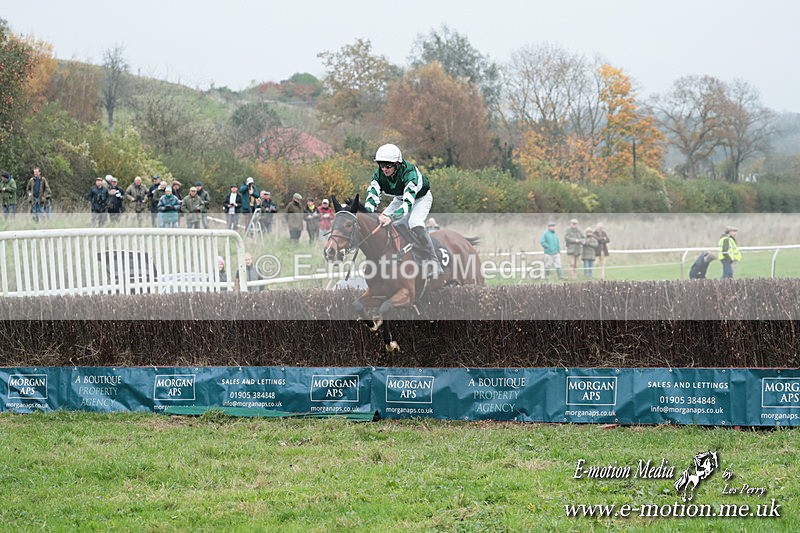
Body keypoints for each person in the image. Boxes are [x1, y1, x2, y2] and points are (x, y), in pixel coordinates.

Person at [365, 143, 443, 277]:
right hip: (399, 199)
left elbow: (407, 204)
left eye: (388, 165)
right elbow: (372, 196)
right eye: (381, 165)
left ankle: (434, 261)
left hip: (420, 199)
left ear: (397, 164)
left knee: (414, 223)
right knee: (380, 222)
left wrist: (391, 217)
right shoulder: (378, 174)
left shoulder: (409, 172)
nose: (384, 169)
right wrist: (367, 214)